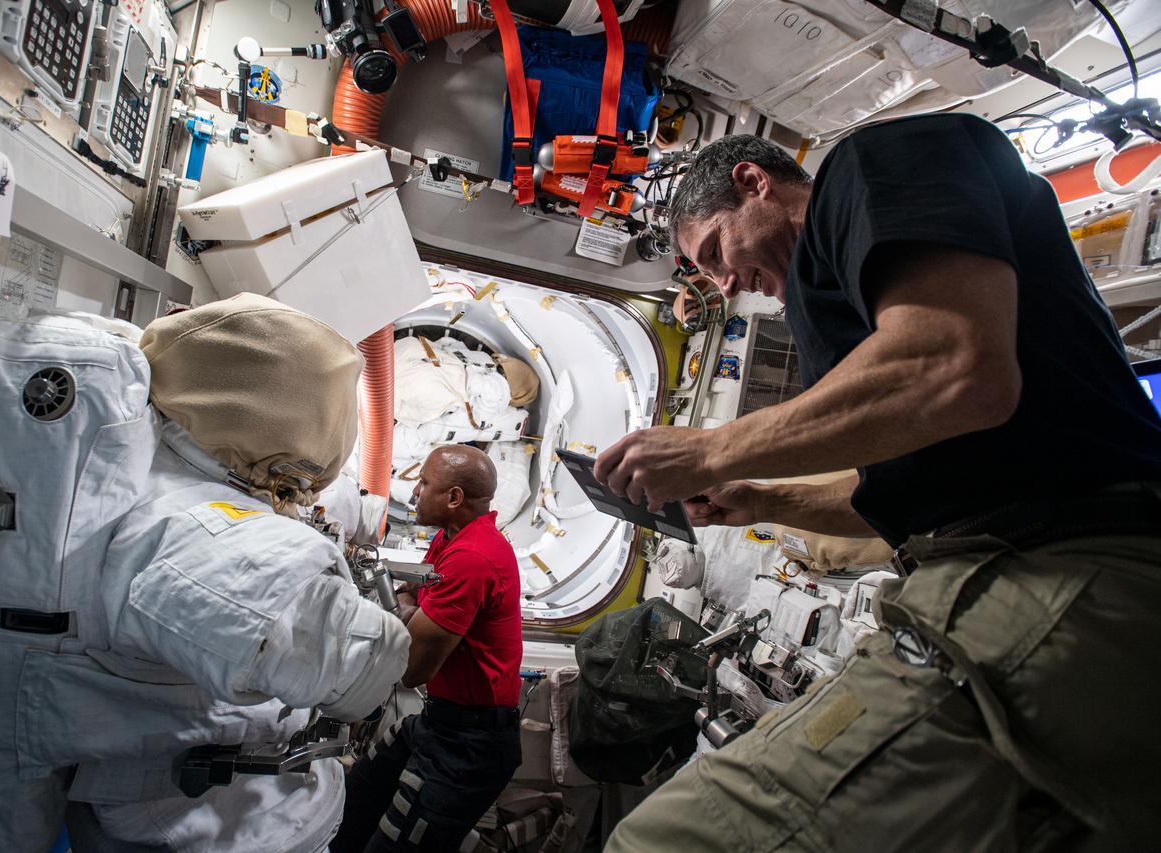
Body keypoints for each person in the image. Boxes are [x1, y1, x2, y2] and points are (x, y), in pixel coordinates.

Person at [592, 117, 1161, 850]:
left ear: (753, 183)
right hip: (1054, 586)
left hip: (1051, 569)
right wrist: (762, 500)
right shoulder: (830, 297)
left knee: (665, 841)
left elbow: (960, 369)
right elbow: (910, 495)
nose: (727, 285)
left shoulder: (873, 164)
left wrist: (712, 449)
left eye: (713, 254)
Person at [0, 294, 410, 852]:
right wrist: (381, 657)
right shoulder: (187, 517)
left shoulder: (156, 467)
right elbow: (344, 655)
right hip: (232, 830)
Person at [333, 445, 523, 853]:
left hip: (470, 746)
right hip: (438, 724)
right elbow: (409, 592)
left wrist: (409, 610)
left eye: (424, 483)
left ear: (454, 498)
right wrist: (410, 608)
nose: (415, 492)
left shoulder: (472, 557)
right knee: (346, 813)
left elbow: (412, 669)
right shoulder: (450, 539)